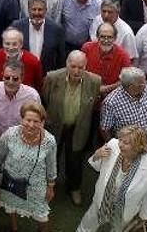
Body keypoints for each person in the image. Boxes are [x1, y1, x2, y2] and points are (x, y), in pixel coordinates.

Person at [42, 51, 101, 205]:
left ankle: (74, 188)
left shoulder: (95, 81)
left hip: (78, 127)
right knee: (51, 157)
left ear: (85, 66)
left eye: (80, 67)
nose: (76, 71)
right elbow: (46, 98)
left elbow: (92, 103)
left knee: (75, 159)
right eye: (72, 66)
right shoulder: (52, 78)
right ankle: (47, 187)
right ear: (66, 63)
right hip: (55, 125)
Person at [76, 125, 147, 232]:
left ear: (137, 146)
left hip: (124, 211)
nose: (120, 145)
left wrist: (143, 217)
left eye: (125, 143)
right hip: (102, 201)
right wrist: (97, 155)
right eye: (120, 139)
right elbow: (96, 166)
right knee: (86, 227)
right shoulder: (112, 144)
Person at [0, 101, 57, 232]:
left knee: (42, 216)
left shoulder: (49, 141)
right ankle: (14, 228)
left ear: (42, 122)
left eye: (36, 121)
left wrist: (50, 186)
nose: (31, 125)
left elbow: (52, 165)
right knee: (10, 206)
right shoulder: (9, 134)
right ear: (21, 119)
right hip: (10, 182)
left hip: (36, 186)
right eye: (28, 120)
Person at [10, 0, 67, 74]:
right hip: (23, 75)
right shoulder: (17, 27)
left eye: (40, 10)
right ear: (28, 10)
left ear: (46, 10)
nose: (37, 13)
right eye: (34, 9)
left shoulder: (56, 29)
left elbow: (61, 58)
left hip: (47, 77)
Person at [100, 68, 147, 146]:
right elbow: (105, 129)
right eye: (142, 83)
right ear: (131, 87)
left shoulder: (145, 89)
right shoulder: (111, 102)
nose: (146, 84)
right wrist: (115, 148)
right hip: (129, 151)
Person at [0, 62, 40, 139]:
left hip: (22, 142)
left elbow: (37, 122)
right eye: (7, 78)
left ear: (22, 78)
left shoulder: (32, 96)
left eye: (15, 79)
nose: (10, 82)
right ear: (2, 76)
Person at [82, 22, 131, 98]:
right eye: (102, 37)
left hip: (111, 98)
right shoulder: (87, 48)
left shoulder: (123, 56)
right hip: (87, 94)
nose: (106, 40)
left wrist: (105, 89)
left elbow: (125, 80)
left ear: (115, 38)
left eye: (109, 37)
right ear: (97, 37)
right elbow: (80, 70)